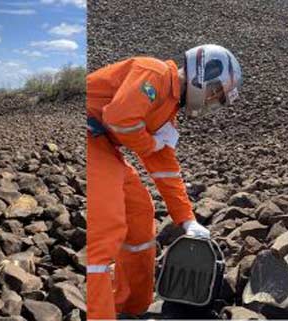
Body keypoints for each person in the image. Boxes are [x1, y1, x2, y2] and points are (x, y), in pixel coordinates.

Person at [86, 44, 243, 319]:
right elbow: (120, 118)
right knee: (107, 226)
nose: (211, 101)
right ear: (203, 74)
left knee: (140, 211)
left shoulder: (169, 110)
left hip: (104, 145)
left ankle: (129, 306)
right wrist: (150, 143)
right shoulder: (154, 73)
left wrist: (187, 220)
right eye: (214, 93)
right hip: (89, 135)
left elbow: (166, 169)